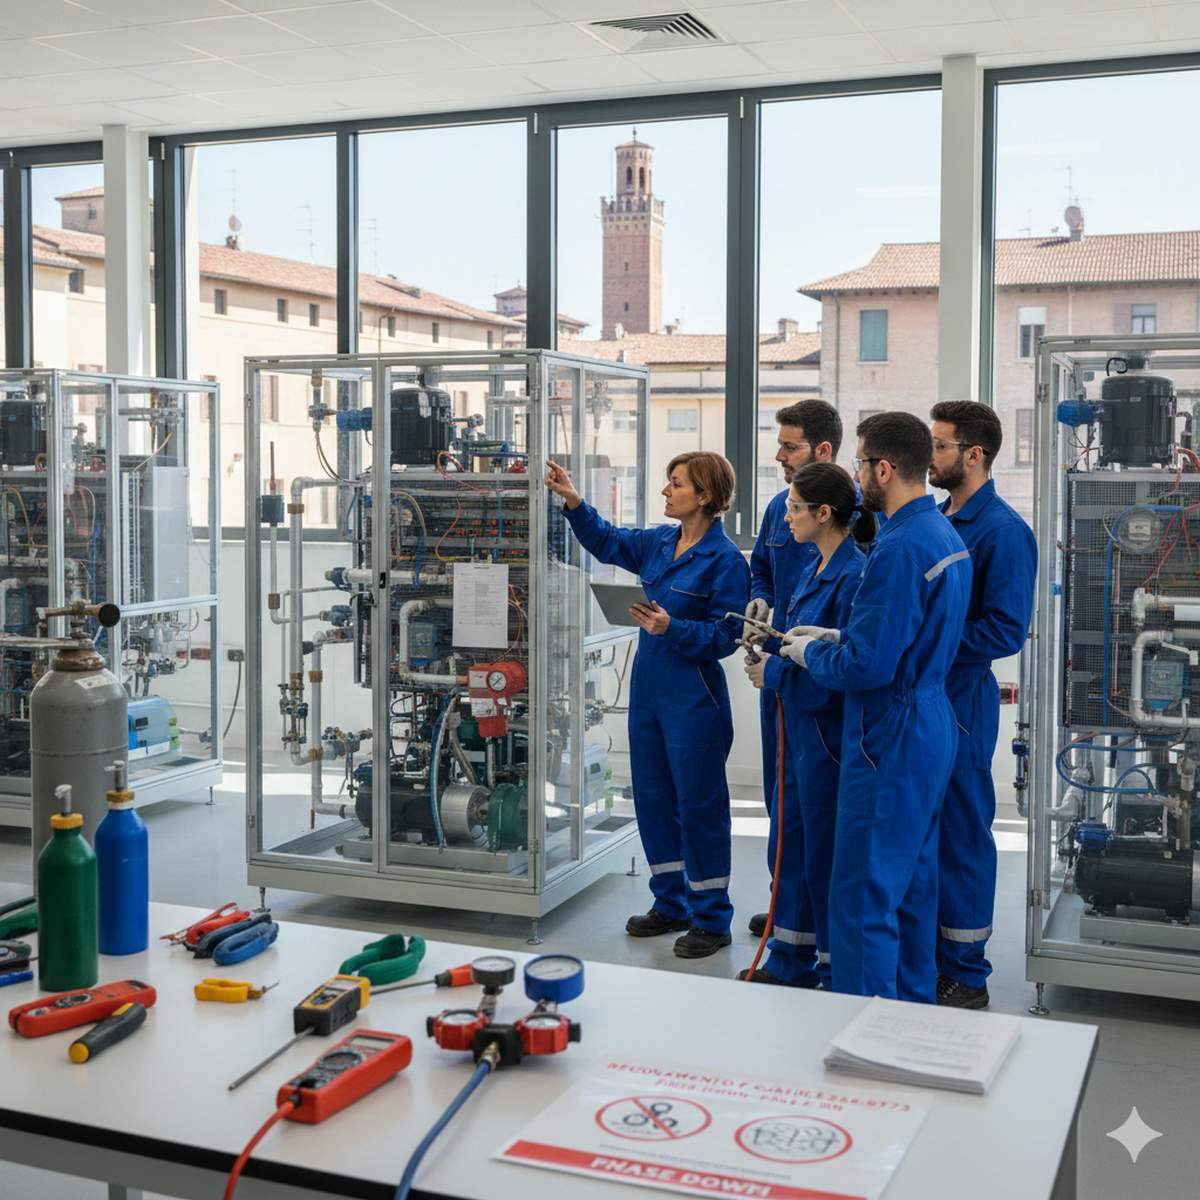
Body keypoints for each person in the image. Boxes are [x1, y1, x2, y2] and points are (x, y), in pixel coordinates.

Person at [781, 413, 971, 1002]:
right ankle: (911, 1017)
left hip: (888, 730)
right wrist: (832, 638)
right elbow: (906, 639)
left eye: (861, 463)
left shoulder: (896, 548)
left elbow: (870, 667)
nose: (857, 474)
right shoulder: (942, 535)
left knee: (864, 893)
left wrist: (810, 656)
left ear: (883, 468)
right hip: (931, 720)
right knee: (911, 885)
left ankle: (864, 1037)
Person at [545, 451, 749, 959]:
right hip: (650, 691)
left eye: (675, 484)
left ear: (703, 496)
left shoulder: (725, 562)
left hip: (693, 696)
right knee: (654, 799)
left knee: (699, 805)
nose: (665, 492)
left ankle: (712, 916)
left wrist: (671, 627)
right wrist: (573, 502)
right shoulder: (660, 542)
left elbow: (729, 635)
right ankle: (671, 902)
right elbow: (609, 541)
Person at [743, 463, 871, 987]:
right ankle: (788, 956)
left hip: (826, 733)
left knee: (823, 849)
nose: (786, 517)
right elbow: (799, 641)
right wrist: (765, 637)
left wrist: (773, 672)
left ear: (824, 513)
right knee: (790, 839)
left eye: (795, 508)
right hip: (796, 729)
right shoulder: (811, 566)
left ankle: (830, 964)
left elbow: (836, 675)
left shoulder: (855, 575)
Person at [928, 401, 1037, 1010]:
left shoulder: (1003, 532)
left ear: (974, 455)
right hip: (920, 696)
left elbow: (1003, 631)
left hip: (962, 702)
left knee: (963, 833)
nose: (931, 457)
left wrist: (925, 645)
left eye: (940, 446)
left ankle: (967, 972)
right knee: (923, 830)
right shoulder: (939, 519)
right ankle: (930, 955)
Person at [744, 400, 843, 954]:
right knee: (780, 801)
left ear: (822, 450)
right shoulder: (779, 509)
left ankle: (814, 925)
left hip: (821, 688)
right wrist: (759, 598)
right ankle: (788, 908)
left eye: (789, 446)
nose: (778, 456)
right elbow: (761, 565)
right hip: (776, 677)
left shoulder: (857, 520)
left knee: (817, 808)